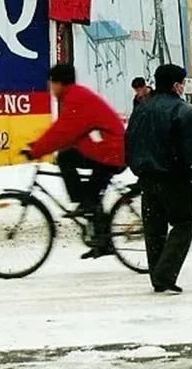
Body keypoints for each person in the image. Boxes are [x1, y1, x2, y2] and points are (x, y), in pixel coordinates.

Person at [24, 63, 125, 259]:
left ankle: (85, 205)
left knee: (67, 159)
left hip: (111, 151)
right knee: (88, 190)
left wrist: (35, 150)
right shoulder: (75, 96)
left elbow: (62, 132)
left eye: (51, 84)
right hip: (105, 149)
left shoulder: (76, 99)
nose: (50, 89)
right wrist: (37, 146)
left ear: (58, 83)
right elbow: (65, 132)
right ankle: (101, 238)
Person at [125, 64, 192, 294]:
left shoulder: (141, 109)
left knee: (154, 229)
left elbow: (129, 141)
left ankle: (157, 277)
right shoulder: (181, 111)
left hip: (147, 178)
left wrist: (138, 168)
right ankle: (165, 273)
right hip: (175, 178)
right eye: (183, 83)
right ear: (176, 85)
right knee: (183, 224)